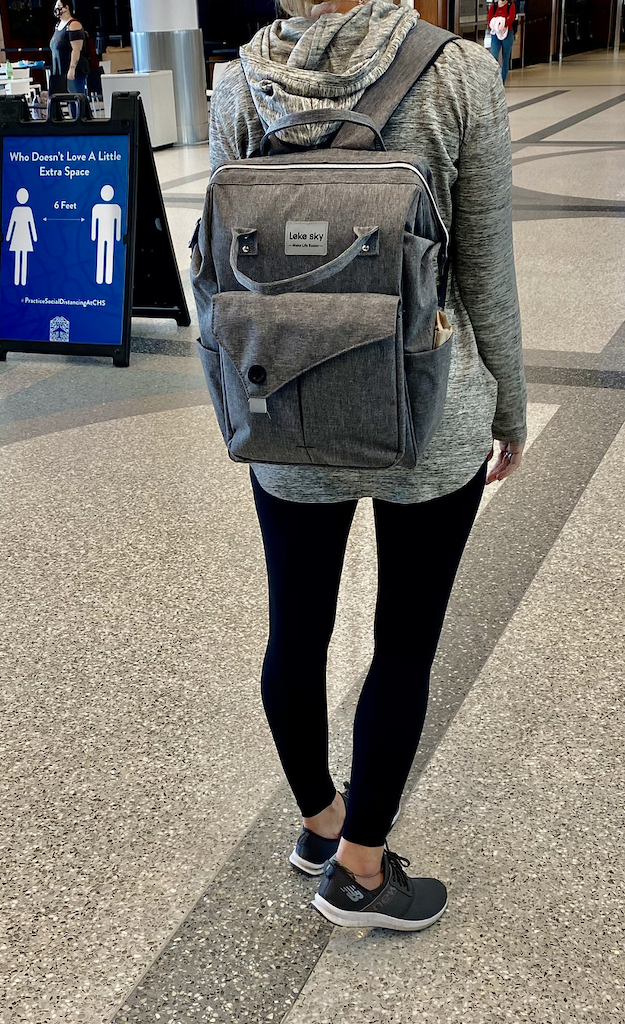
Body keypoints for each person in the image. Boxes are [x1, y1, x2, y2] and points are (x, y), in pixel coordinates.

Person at [209, 0, 526, 932]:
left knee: (294, 632)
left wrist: (238, 399)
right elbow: (483, 266)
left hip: (285, 399)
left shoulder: (242, 82)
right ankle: (360, 872)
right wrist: (506, 403)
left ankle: (320, 823)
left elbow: (222, 270)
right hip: (428, 410)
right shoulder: (459, 72)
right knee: (404, 641)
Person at [49, 0, 88, 98]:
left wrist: (72, 69)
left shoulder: (73, 25)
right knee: (64, 98)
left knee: (75, 97)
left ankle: (80, 114)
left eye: (59, 6)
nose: (56, 9)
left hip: (73, 70)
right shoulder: (58, 25)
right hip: (60, 69)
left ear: (66, 8)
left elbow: (76, 49)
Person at [487, 0, 517, 84]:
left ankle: (502, 81)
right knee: (494, 57)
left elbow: (511, 18)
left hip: (507, 34)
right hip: (495, 34)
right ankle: (493, 81)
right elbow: (489, 19)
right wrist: (495, 25)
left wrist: (502, 24)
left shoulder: (510, 5)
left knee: (505, 58)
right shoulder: (494, 5)